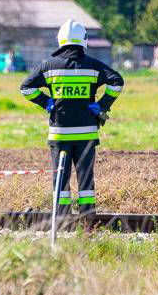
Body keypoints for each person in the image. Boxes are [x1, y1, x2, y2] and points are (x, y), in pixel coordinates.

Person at [20, 19, 124, 218]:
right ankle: (88, 219)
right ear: (83, 40)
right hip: (86, 134)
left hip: (59, 135)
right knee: (85, 179)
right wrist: (102, 105)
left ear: (60, 40)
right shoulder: (93, 66)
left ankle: (61, 219)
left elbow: (26, 88)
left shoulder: (48, 66)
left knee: (60, 177)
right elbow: (117, 82)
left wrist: (46, 102)